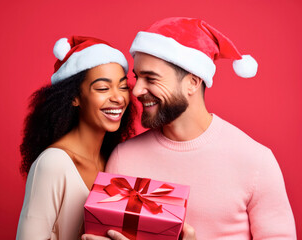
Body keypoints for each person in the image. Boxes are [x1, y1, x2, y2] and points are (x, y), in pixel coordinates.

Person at [82, 17, 296, 239]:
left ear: (193, 82)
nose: (136, 92)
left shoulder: (255, 160)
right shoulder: (123, 157)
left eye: (151, 79)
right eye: (138, 77)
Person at [16, 36, 135, 240]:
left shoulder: (113, 160)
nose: (118, 97)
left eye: (123, 86)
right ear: (74, 97)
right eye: (103, 88)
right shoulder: (53, 164)